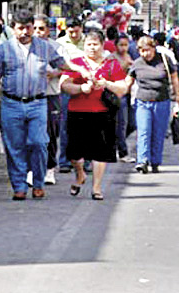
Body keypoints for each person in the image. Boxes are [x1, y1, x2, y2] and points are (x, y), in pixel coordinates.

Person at [0, 10, 92, 200]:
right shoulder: (4, 49)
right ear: (13, 29)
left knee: (39, 142)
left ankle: (38, 182)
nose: (25, 32)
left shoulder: (44, 47)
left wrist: (80, 69)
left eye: (28, 28)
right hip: (11, 104)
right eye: (20, 28)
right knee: (15, 146)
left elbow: (61, 63)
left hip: (37, 103)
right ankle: (19, 186)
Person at [60, 30, 128, 200]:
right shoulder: (76, 64)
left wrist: (106, 84)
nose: (92, 48)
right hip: (77, 112)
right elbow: (64, 85)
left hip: (103, 113)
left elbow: (122, 89)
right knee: (74, 153)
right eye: (89, 44)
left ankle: (96, 187)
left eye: (95, 44)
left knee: (100, 152)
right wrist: (80, 88)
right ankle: (80, 174)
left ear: (102, 45)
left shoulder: (111, 65)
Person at [125, 35, 179, 174]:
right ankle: (142, 161)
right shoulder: (137, 64)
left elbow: (174, 78)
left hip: (162, 101)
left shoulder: (164, 60)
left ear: (154, 48)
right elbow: (128, 82)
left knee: (158, 133)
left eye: (148, 50)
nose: (145, 54)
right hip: (142, 102)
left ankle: (155, 161)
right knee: (144, 131)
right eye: (142, 51)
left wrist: (177, 96)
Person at [33, 14, 62, 185]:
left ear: (48, 30)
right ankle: (33, 169)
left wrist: (53, 74)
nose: (37, 32)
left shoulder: (56, 47)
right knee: (32, 133)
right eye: (35, 28)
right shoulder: (26, 48)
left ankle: (50, 168)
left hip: (51, 94)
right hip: (31, 96)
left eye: (41, 28)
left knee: (50, 132)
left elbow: (65, 68)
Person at [55, 17, 86, 173]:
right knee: (66, 125)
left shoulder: (88, 42)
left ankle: (85, 160)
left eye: (76, 32)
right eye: (70, 32)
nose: (73, 35)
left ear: (81, 29)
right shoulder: (59, 44)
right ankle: (65, 161)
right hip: (67, 87)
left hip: (86, 87)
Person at [110, 34, 134, 163]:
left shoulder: (128, 56)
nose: (123, 48)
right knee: (121, 124)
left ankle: (117, 143)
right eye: (121, 45)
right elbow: (111, 74)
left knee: (131, 123)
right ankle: (123, 151)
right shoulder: (112, 57)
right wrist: (125, 65)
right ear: (116, 45)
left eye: (126, 45)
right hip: (117, 94)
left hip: (129, 93)